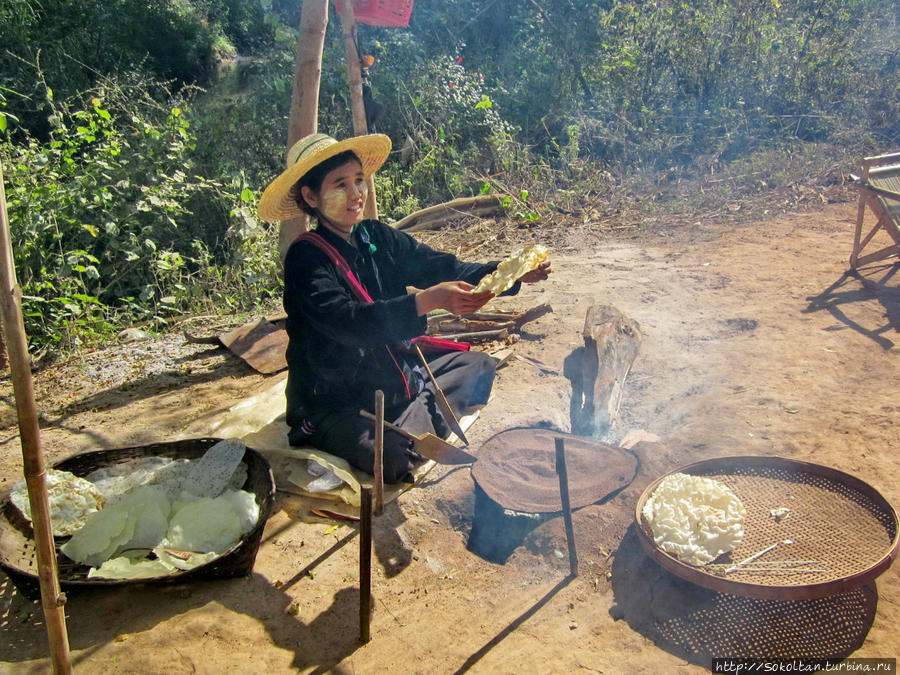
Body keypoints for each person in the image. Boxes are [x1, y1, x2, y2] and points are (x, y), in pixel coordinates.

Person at [258, 133, 550, 483]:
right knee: (395, 460)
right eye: (340, 184)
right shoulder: (306, 258)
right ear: (311, 196)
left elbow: (443, 268)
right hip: (337, 396)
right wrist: (428, 300)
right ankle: (407, 425)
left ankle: (410, 418)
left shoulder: (376, 237)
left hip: (392, 371)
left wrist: (509, 273)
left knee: (480, 365)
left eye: (359, 181)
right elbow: (349, 323)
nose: (356, 194)